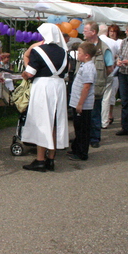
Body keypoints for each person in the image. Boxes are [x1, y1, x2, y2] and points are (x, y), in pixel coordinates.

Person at [20, 23, 69, 172]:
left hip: (43, 86)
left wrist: (23, 74)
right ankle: (51, 158)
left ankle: (40, 160)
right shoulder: (64, 52)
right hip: (59, 86)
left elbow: (30, 73)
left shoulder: (38, 50)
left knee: (42, 121)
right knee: (55, 122)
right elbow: (66, 73)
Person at [82, 22, 114, 148]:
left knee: (95, 112)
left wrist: (100, 77)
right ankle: (83, 136)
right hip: (83, 86)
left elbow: (110, 67)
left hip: (97, 86)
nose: (83, 32)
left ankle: (95, 138)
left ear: (93, 32)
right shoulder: (82, 46)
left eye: (85, 30)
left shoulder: (104, 48)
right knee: (83, 114)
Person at [67, 42, 97, 161]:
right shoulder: (84, 65)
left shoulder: (89, 68)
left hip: (83, 105)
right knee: (77, 127)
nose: (78, 55)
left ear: (87, 55)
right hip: (76, 102)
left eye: (80, 53)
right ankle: (76, 148)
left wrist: (80, 103)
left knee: (82, 129)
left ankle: (82, 152)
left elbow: (86, 87)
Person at [100, 24, 121, 128]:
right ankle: (104, 120)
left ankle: (105, 118)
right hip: (110, 71)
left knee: (104, 96)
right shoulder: (113, 43)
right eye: (110, 31)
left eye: (114, 31)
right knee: (107, 97)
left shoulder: (96, 42)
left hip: (106, 71)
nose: (112, 33)